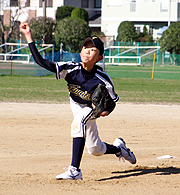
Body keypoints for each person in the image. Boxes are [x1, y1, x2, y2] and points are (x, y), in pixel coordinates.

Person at [20, 22, 136, 180]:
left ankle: (74, 170)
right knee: (95, 149)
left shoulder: (103, 79)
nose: (87, 51)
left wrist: (105, 111)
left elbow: (113, 101)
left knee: (78, 122)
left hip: (91, 110)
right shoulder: (70, 69)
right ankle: (119, 149)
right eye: (85, 47)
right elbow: (42, 62)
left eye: (92, 49)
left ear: (100, 57)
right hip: (75, 105)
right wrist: (28, 36)